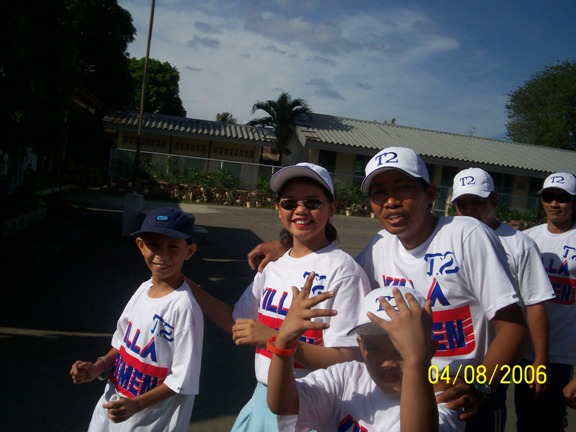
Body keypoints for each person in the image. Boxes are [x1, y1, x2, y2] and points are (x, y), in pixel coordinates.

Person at [248, 147, 528, 432]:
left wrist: (480, 387)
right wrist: (287, 245)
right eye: (379, 193)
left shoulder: (465, 234)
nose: (391, 201)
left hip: (461, 399)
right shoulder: (381, 245)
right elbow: (335, 266)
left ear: (430, 193)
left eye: (403, 189)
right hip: (397, 392)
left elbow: (514, 329)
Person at [190, 162, 371, 431]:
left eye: (312, 202)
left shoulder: (342, 271)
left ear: (331, 208)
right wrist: (190, 288)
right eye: (289, 203)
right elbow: (238, 324)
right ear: (278, 210)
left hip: (309, 405)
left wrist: (275, 341)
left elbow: (350, 357)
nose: (300, 210)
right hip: (261, 398)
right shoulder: (272, 268)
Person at [267, 276, 464, 432]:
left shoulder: (445, 397)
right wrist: (283, 345)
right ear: (360, 346)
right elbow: (283, 405)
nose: (387, 362)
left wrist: (415, 361)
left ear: (428, 350)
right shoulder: (348, 376)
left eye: (400, 350)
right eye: (374, 348)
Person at [70, 207, 204, 432]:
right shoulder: (143, 290)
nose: (162, 255)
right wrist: (97, 367)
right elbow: (122, 345)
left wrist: (137, 404)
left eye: (173, 247)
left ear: (189, 251)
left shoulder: (184, 307)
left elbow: (182, 380)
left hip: (150, 422)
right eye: (153, 245)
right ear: (141, 246)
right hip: (112, 408)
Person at [450, 167, 555, 420]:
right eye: (462, 203)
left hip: (493, 359)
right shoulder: (448, 238)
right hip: (450, 361)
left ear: (494, 200)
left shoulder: (519, 243)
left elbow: (535, 303)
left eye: (477, 201)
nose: (470, 209)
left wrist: (541, 359)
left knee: (487, 412)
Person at [515, 172, 576, 432]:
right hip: (524, 352)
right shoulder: (527, 239)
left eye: (562, 198)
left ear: (574, 202)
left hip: (562, 355)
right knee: (524, 418)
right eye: (549, 197)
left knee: (549, 422)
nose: (554, 204)